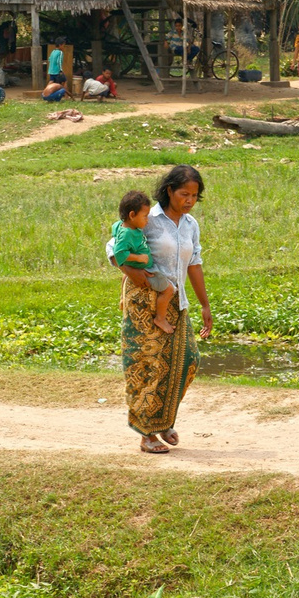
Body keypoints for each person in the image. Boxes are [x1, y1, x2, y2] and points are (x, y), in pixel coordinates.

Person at [107, 165, 212, 455]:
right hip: (144, 302)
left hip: (175, 301)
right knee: (147, 367)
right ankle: (147, 434)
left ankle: (163, 419)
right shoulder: (148, 217)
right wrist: (132, 272)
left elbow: (194, 263)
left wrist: (204, 304)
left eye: (194, 195)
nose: (189, 200)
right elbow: (112, 247)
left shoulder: (190, 224)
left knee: (187, 362)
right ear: (168, 190)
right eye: (183, 194)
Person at [112, 190, 175, 334]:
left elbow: (114, 228)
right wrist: (139, 258)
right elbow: (119, 252)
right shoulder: (128, 233)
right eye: (145, 216)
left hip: (134, 268)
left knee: (126, 275)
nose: (147, 220)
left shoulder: (122, 226)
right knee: (168, 289)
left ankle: (122, 298)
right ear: (132, 215)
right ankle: (160, 318)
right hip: (146, 271)